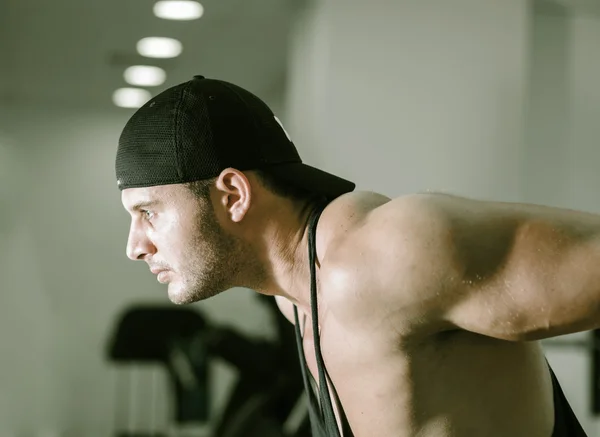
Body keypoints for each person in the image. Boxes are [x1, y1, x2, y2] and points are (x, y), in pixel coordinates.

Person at [115, 75, 594, 437]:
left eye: (148, 212)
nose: (135, 245)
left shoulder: (388, 254)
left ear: (234, 194)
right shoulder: (299, 300)